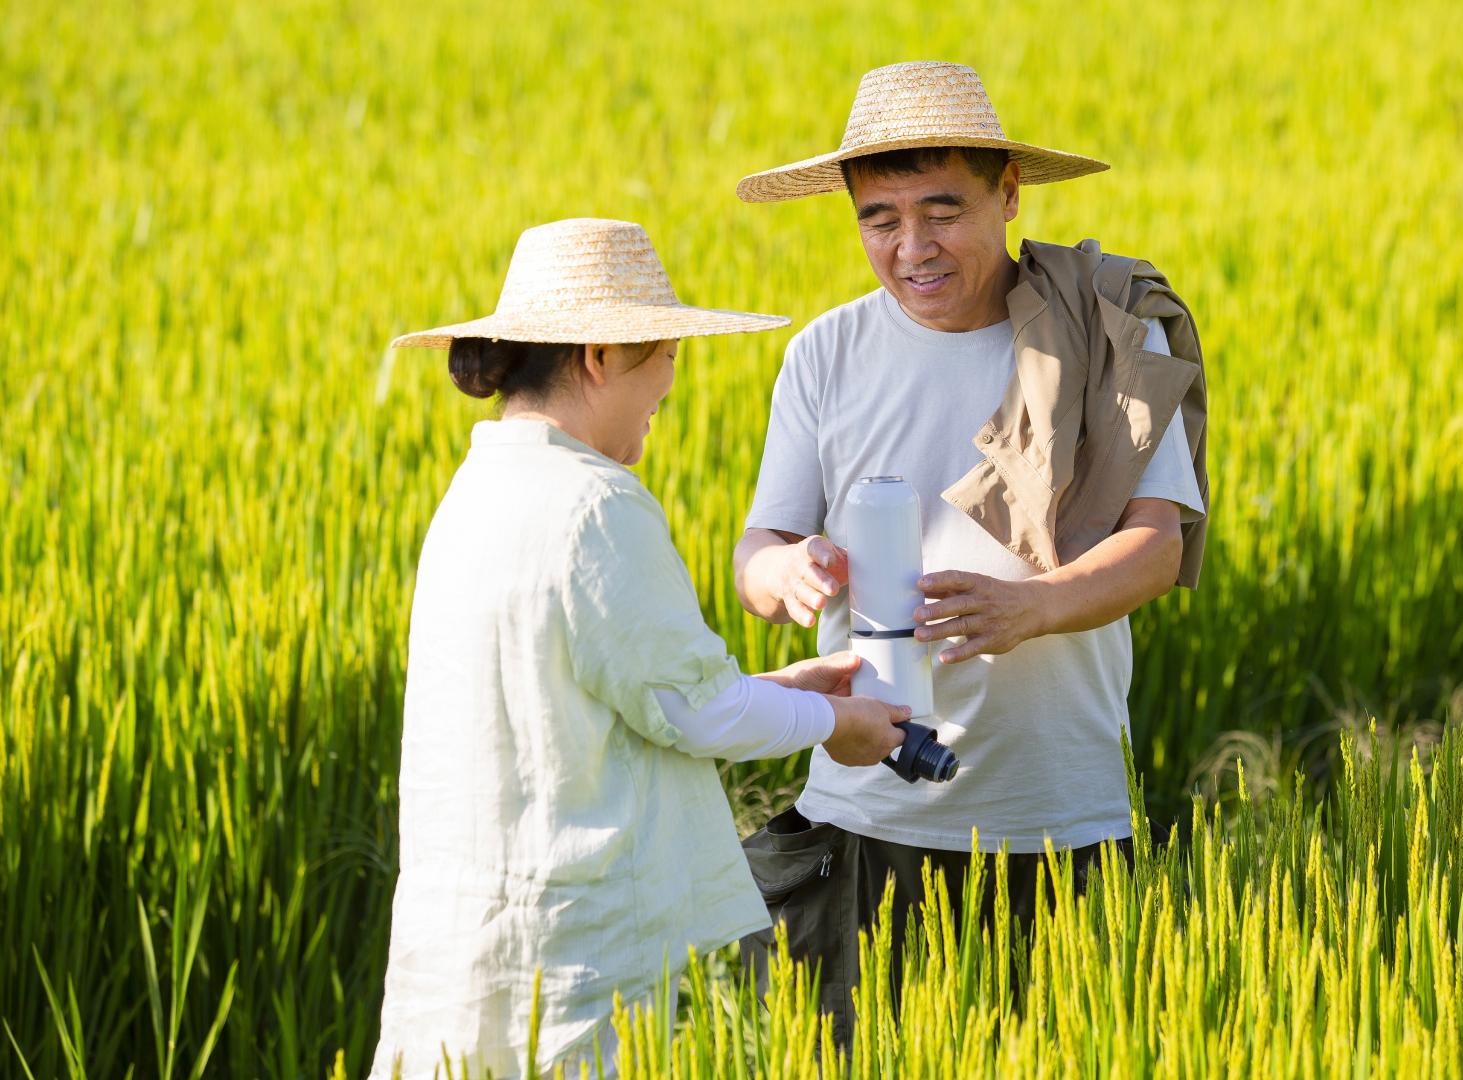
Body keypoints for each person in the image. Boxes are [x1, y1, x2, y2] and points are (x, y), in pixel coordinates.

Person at [729, 62, 1211, 1033]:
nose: (913, 247)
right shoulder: (824, 353)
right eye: (880, 218)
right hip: (861, 820)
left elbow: (1156, 548)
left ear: (1009, 194)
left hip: (1056, 818)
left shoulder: (1107, 337)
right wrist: (784, 572)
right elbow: (758, 546)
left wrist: (1028, 608)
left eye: (942, 210)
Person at [369, 218, 912, 1079]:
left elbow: (613, 699)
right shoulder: (597, 505)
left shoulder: (475, 494)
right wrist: (832, 720)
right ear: (599, 356)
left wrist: (790, 686)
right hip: (575, 960)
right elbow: (694, 710)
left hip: (466, 948)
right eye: (664, 356)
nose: (669, 384)